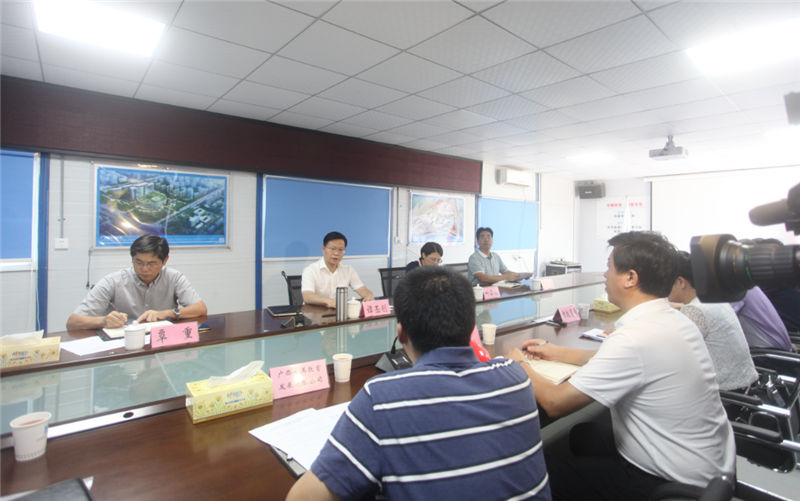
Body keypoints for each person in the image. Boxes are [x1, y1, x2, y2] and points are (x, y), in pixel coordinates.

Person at [286, 267, 551, 500]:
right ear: (472, 325)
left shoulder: (381, 398)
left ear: (401, 334)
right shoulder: (517, 378)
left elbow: (301, 497)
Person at [507, 231, 735, 499]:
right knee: (584, 435)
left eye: (609, 266)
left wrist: (519, 364)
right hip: (710, 468)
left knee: (540, 470)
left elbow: (555, 403)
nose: (605, 275)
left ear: (630, 278)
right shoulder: (673, 320)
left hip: (671, 483)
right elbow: (617, 360)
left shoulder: (635, 338)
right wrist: (557, 352)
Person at [67, 234, 207, 330]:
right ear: (132, 259)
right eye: (138, 262)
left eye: (152, 263)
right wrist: (104, 321)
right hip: (124, 342)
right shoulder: (113, 281)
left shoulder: (174, 277)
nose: (144, 269)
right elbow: (73, 322)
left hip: (161, 340)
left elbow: (200, 309)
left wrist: (166, 313)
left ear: (165, 261)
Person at [669, 251, 758, 390]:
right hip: (746, 386)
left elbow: (671, 352)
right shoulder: (711, 299)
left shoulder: (694, 311)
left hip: (725, 393)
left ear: (681, 282)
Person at [301, 231, 374, 307]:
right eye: (332, 249)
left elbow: (362, 289)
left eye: (341, 250)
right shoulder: (310, 270)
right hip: (314, 312)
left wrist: (368, 295)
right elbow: (307, 296)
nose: (336, 253)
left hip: (339, 311)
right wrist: (328, 301)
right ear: (323, 249)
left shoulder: (348, 270)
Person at [731, 286, 793, 351]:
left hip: (767, 352)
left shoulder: (738, 288)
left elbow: (726, 320)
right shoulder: (746, 285)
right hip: (770, 349)